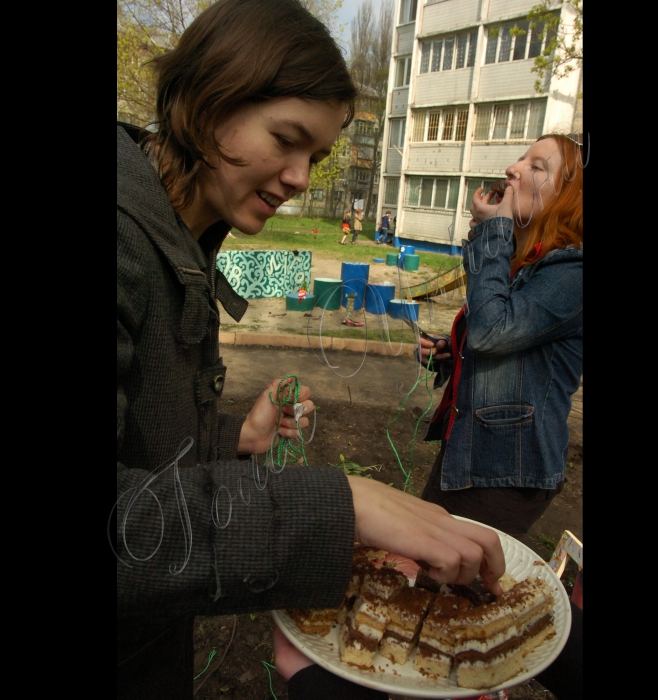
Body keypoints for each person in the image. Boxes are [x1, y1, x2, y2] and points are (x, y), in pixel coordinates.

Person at [116, 2, 506, 698]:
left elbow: (142, 444)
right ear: (209, 102)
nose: (300, 178)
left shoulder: (182, 233)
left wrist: (234, 436)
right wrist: (337, 506)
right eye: (287, 139)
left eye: (316, 156)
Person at [417, 133, 583, 699]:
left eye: (537, 166)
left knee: (458, 597)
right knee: (433, 578)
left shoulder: (575, 272)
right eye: (520, 159)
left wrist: (487, 230)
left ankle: (479, 682)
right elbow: (498, 344)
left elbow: (493, 330)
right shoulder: (529, 263)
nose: (511, 169)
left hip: (505, 471)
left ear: (570, 196)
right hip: (473, 453)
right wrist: (449, 350)